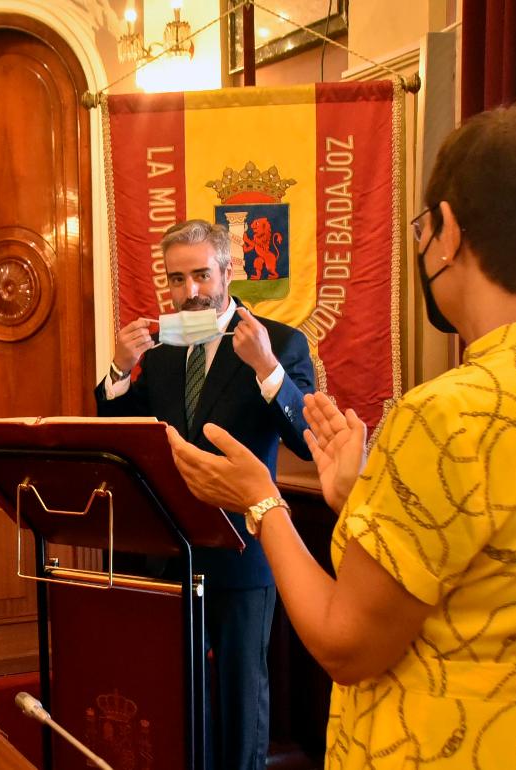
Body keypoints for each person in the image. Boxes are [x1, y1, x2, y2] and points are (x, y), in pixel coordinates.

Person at [167, 103, 516, 770]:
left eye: (423, 229)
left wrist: (261, 498)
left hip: (433, 744)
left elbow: (346, 644)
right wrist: (356, 494)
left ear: (447, 232)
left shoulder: (446, 413)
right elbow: (483, 561)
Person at [95, 219, 316, 769]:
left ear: (228, 271)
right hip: (171, 550)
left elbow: (306, 441)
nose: (189, 291)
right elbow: (122, 433)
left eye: (200, 275)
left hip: (245, 550)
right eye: (176, 280)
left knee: (242, 696)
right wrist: (120, 372)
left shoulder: (279, 341)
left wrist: (266, 367)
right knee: (177, 692)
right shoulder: (164, 350)